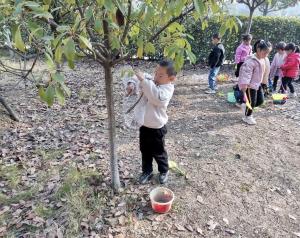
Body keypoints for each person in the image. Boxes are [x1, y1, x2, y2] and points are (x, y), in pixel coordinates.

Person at [132, 60, 176, 184]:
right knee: (144, 150)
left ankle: (164, 170)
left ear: (171, 78)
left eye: (160, 75)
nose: (156, 76)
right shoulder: (152, 81)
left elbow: (156, 97)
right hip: (144, 125)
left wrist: (144, 82)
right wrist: (132, 83)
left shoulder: (167, 90)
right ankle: (147, 171)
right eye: (155, 73)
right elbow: (140, 77)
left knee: (158, 152)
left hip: (157, 127)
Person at [238, 40, 272, 125]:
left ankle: (245, 104)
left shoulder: (264, 59)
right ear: (258, 49)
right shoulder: (251, 61)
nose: (266, 55)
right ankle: (247, 117)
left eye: (268, 53)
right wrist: (244, 85)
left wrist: (265, 83)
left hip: (258, 84)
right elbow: (245, 74)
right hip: (249, 86)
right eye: (265, 52)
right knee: (251, 102)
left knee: (260, 101)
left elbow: (266, 71)